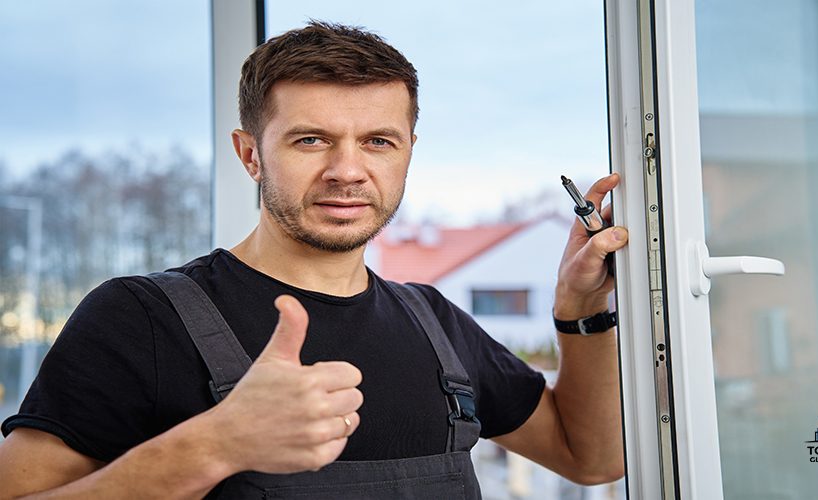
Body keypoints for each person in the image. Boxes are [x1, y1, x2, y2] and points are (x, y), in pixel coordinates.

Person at [0, 22, 628, 499]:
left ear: (408, 152)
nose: (346, 171)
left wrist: (580, 308)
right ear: (250, 155)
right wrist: (213, 445)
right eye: (310, 140)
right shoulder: (139, 318)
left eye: (378, 141)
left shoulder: (434, 323)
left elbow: (592, 457)